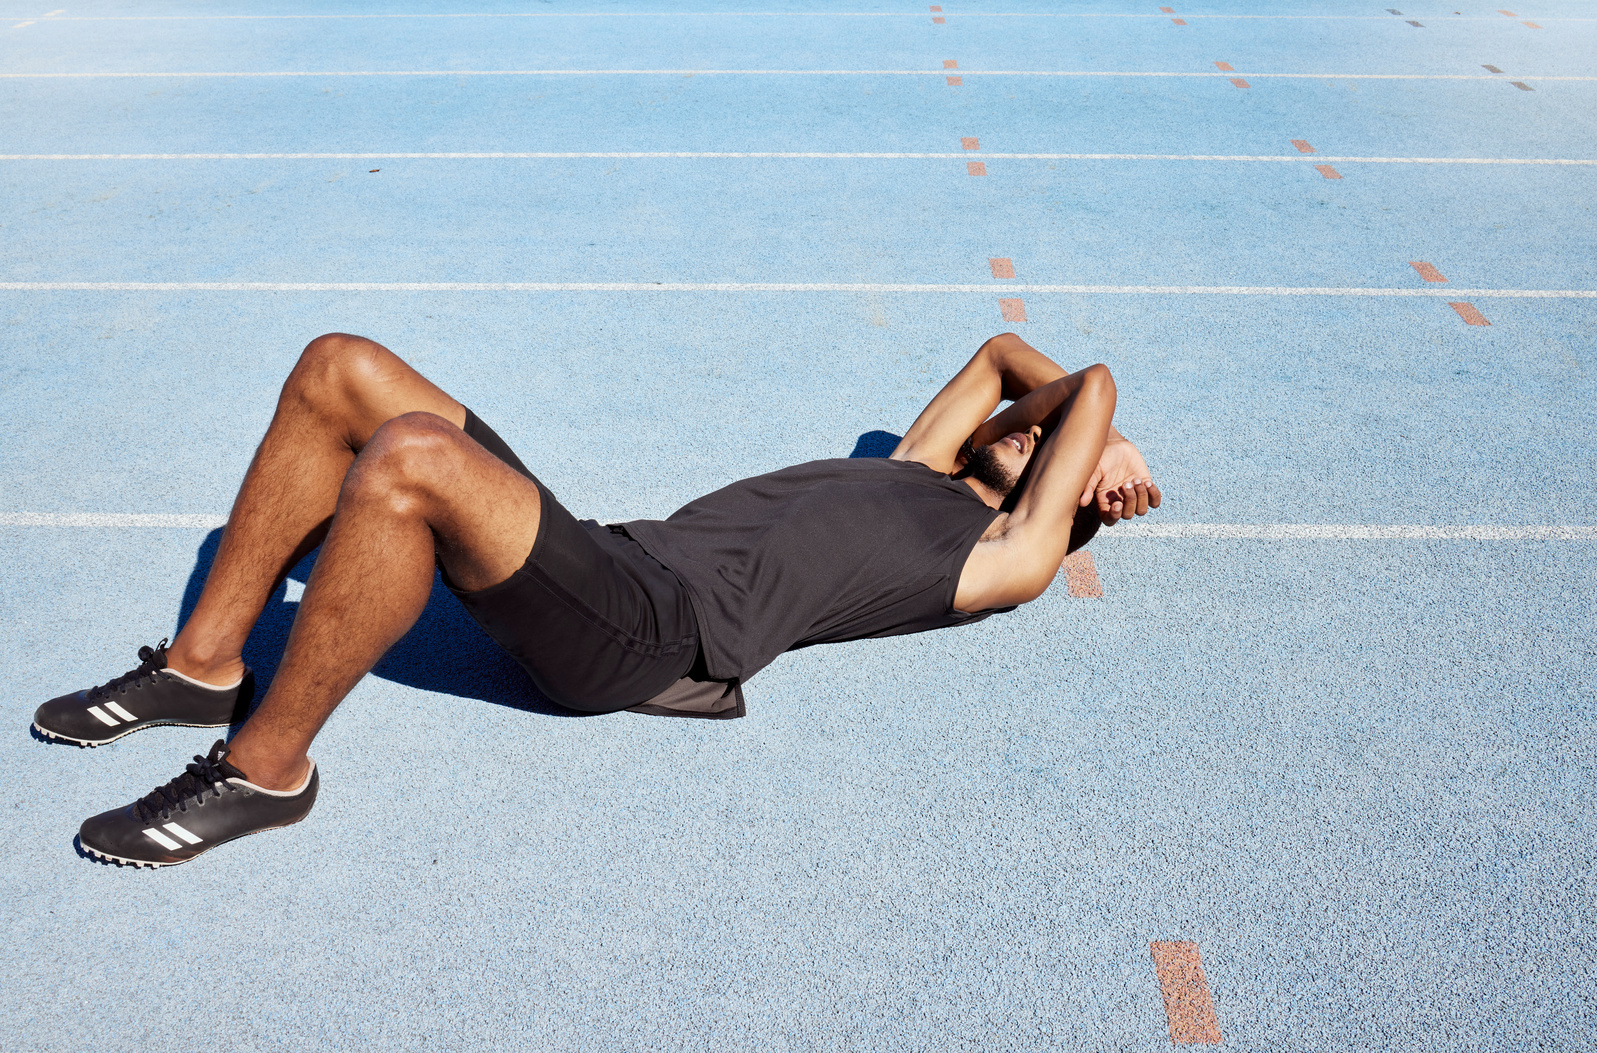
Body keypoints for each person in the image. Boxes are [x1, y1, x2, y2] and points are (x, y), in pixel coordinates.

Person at [34, 331, 1161, 867]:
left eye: (1050, 445)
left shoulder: (1003, 557)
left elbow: (1086, 378)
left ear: (1069, 499)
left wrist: (1098, 426)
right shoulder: (916, 469)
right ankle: (202, 668)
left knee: (411, 458)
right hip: (613, 563)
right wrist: (1058, 415)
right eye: (1026, 428)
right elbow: (1000, 354)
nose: (1024, 432)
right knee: (342, 368)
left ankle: (265, 771)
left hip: (652, 638)